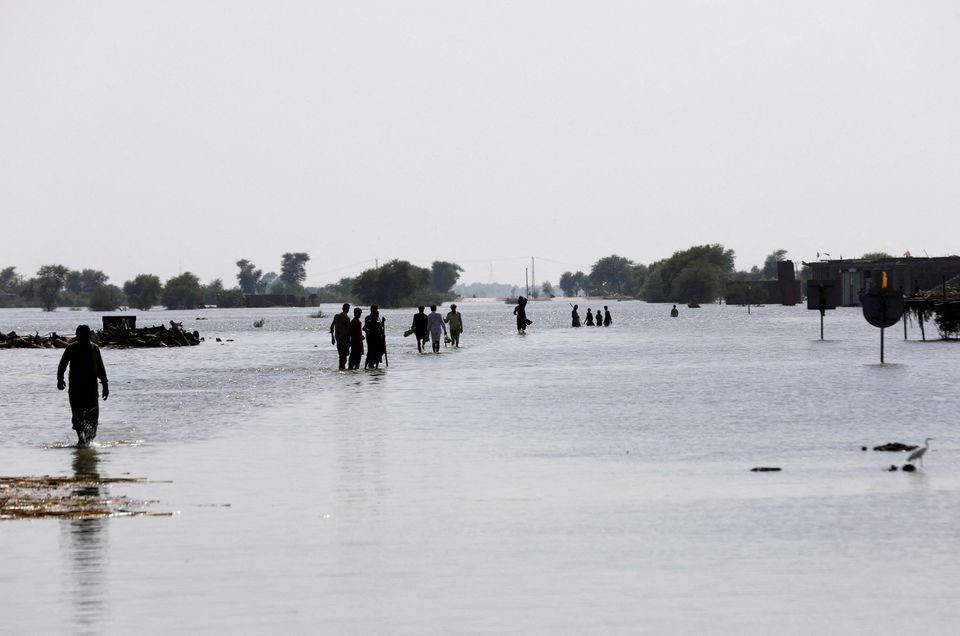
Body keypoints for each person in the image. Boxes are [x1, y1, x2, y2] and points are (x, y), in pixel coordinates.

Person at [57, 325, 109, 447]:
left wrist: (105, 386)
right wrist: (60, 380)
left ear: (88, 335)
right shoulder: (71, 348)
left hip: (91, 389)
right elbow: (62, 365)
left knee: (93, 416)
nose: (81, 337)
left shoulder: (94, 349)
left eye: (83, 335)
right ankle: (81, 438)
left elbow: (101, 369)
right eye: (78, 335)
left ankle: (89, 441)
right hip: (76, 389)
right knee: (77, 414)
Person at [330, 303, 351, 370]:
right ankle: (342, 368)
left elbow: (331, 326)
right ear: (347, 309)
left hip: (338, 339)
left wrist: (332, 338)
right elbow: (349, 330)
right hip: (344, 339)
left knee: (341, 356)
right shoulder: (347, 318)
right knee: (344, 356)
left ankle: (341, 368)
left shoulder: (336, 316)